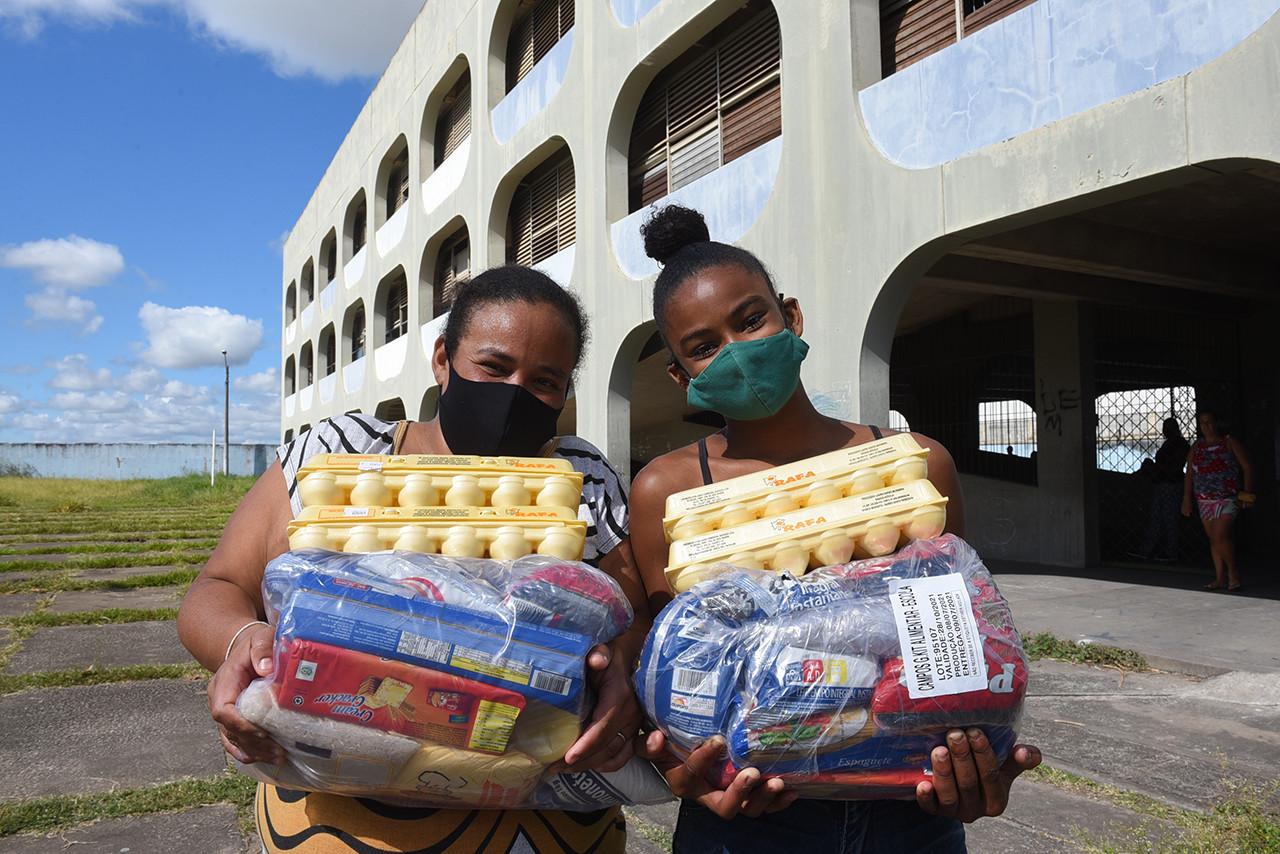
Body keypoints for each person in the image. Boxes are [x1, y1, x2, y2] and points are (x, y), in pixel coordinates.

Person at [178, 266, 651, 854]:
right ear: (442, 360)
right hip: (347, 814)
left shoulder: (583, 479)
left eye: (545, 381)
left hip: (541, 815)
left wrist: (621, 680)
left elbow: (632, 620)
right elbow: (218, 586)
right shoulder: (340, 453)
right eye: (494, 367)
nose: (514, 394)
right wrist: (241, 642)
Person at [626, 205, 1041, 853]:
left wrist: (975, 753)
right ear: (682, 376)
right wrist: (680, 766)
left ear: (790, 317)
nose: (739, 353)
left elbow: (962, 634)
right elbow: (671, 672)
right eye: (705, 347)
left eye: (751, 320)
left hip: (910, 813)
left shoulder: (917, 465)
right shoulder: (667, 492)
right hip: (749, 821)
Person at [1182, 409, 1254, 592]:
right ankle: (1220, 578)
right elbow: (1189, 474)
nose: (1206, 426)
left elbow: (1247, 467)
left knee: (1219, 536)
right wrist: (1186, 499)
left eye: (1209, 422)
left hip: (1227, 498)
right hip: (1204, 499)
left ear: (1217, 423)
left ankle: (1233, 573)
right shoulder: (1197, 447)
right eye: (1202, 423)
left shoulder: (1229, 442)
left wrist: (1247, 492)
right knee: (1214, 539)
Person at [1131, 417, 1190, 562]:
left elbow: (1173, 466)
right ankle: (1154, 549)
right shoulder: (1175, 443)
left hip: (1170, 484)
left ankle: (1167, 552)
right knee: (1161, 517)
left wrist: (1154, 468)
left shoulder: (1177, 444)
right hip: (1166, 483)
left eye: (1167, 427)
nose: (1164, 431)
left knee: (1167, 518)